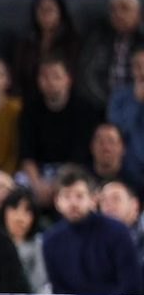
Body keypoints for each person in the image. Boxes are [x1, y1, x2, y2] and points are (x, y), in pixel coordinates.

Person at [40, 167, 142, 295]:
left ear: (93, 198)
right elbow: (59, 290)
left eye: (79, 196)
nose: (73, 203)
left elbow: (130, 285)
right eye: (66, 196)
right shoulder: (51, 239)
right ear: (57, 202)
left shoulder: (117, 231)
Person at [19, 57, 105, 206]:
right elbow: (26, 154)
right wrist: (38, 185)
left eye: (56, 76)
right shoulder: (30, 108)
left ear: (68, 79)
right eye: (45, 76)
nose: (50, 82)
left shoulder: (84, 109)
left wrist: (55, 185)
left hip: (73, 170)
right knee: (17, 188)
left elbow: (79, 156)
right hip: (38, 173)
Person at [80, 0, 144, 107]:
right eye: (113, 10)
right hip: (101, 104)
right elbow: (87, 74)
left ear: (138, 15)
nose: (118, 14)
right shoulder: (97, 38)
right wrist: (110, 103)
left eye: (125, 9)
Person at [12, 0, 80, 96]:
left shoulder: (72, 42)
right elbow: (17, 77)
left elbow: (75, 75)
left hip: (63, 99)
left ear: (60, 13)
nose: (45, 13)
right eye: (41, 9)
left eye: (50, 9)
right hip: (29, 99)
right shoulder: (25, 42)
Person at [0, 186, 51, 294]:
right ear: (4, 212)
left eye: (27, 211)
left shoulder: (39, 245)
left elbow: (39, 285)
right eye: (14, 208)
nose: (19, 218)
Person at [108, 47, 144, 182]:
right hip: (127, 166)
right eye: (138, 66)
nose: (142, 70)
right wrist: (136, 102)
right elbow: (118, 132)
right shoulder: (119, 97)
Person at [91, 121, 144, 191]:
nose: (106, 147)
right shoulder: (81, 181)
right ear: (92, 146)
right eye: (101, 141)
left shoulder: (136, 184)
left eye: (111, 141)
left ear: (122, 147)